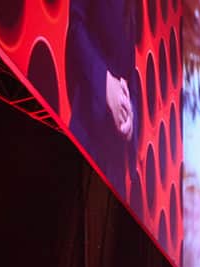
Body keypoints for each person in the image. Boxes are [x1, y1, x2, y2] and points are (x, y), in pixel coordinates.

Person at [65, 0, 140, 195]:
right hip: (86, 130)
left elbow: (130, 71)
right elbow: (76, 27)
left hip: (115, 161)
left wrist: (130, 119)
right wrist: (104, 82)